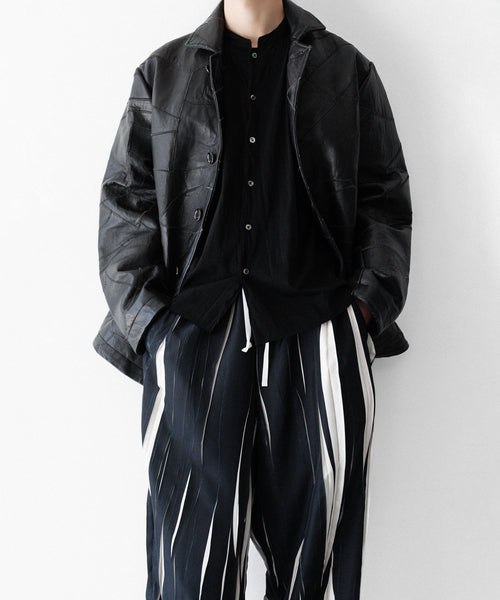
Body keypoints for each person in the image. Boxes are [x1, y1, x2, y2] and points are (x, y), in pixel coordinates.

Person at [93, 0, 412, 598]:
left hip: (319, 334)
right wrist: (154, 328)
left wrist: (363, 313)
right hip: (192, 341)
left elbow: (384, 198)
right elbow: (125, 205)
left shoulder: (346, 70)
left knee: (312, 573)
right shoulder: (163, 73)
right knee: (190, 573)